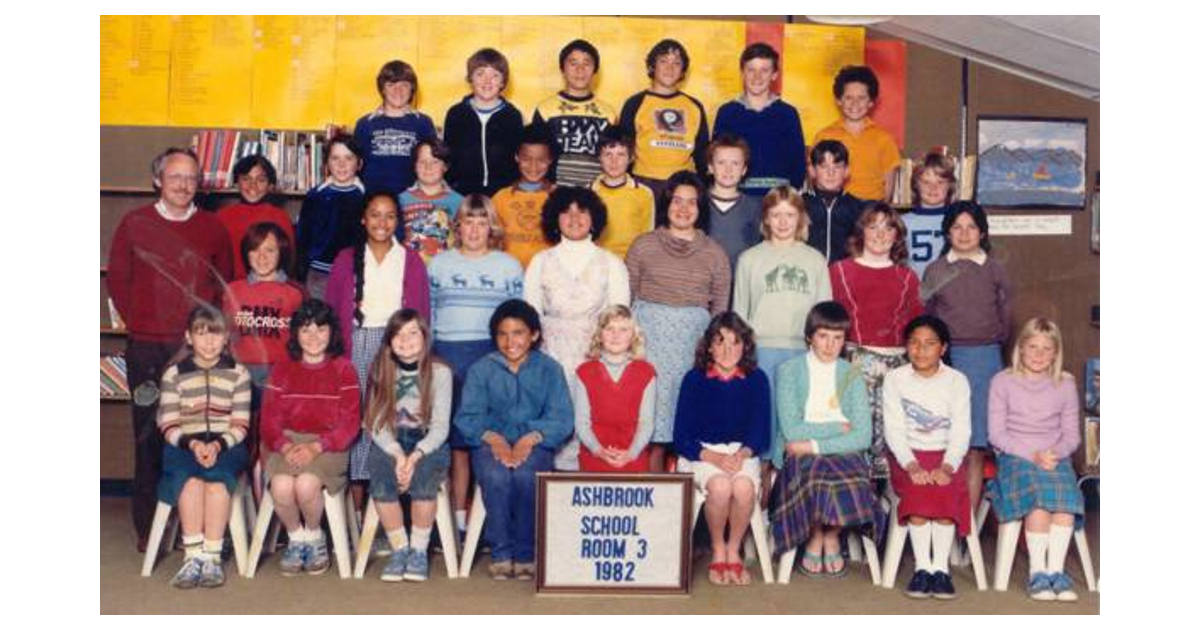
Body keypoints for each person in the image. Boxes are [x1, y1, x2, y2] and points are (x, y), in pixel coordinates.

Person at [107, 147, 234, 550]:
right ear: (158, 180)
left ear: (200, 184)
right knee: (149, 433)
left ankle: (189, 526)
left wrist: (206, 338)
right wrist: (143, 321)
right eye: (175, 176)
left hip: (198, 352)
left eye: (191, 178)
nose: (183, 185)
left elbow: (225, 283)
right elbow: (118, 281)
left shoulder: (213, 228)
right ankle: (149, 527)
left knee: (197, 432)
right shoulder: (134, 223)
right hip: (147, 349)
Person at [453, 299, 573, 581]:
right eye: (502, 334)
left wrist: (531, 438)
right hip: (489, 442)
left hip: (536, 442)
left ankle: (525, 551)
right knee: (496, 476)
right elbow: (468, 416)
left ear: (534, 335)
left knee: (526, 475)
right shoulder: (482, 369)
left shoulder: (550, 369)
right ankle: (501, 551)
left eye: (518, 333)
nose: (510, 341)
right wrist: (493, 438)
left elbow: (562, 417)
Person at [428, 194, 525, 537]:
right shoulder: (439, 264)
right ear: (457, 227)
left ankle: (494, 520)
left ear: (492, 227)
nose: (474, 229)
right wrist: (431, 355)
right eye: (468, 221)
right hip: (447, 356)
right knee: (456, 442)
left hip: (492, 357)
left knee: (489, 438)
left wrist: (511, 360)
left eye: (482, 222)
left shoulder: (508, 266)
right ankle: (457, 520)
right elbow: (430, 314)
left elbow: (518, 320)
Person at [325, 192, 430, 504]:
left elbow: (422, 312)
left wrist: (417, 353)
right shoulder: (346, 259)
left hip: (397, 344)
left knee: (394, 418)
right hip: (357, 343)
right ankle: (357, 508)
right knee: (359, 418)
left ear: (398, 221)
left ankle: (391, 502)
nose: (382, 222)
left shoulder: (410, 259)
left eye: (389, 216)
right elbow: (332, 309)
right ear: (363, 218)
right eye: (374, 214)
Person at [625, 171, 731, 472]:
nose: (683, 209)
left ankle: (686, 497)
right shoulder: (642, 246)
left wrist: (708, 349)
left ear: (701, 209)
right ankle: (652, 496)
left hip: (691, 345)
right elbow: (625, 303)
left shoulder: (715, 254)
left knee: (686, 419)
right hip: (649, 344)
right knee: (651, 424)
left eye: (692, 203)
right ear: (666, 204)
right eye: (676, 201)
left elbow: (720, 312)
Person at [769, 301, 884, 578]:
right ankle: (815, 535)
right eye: (823, 336)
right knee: (817, 476)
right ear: (810, 336)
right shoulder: (790, 371)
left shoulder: (851, 374)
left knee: (853, 478)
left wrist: (814, 444)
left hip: (831, 450)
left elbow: (863, 435)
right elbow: (792, 430)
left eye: (838, 338)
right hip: (799, 453)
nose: (830, 345)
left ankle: (829, 535)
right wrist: (838, 427)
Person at [524, 186, 630, 469]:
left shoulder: (611, 263)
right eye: (566, 211)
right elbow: (529, 318)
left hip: (595, 359)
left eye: (581, 211)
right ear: (554, 218)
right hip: (550, 359)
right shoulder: (540, 262)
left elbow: (619, 319)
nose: (574, 218)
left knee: (593, 423)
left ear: (594, 218)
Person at [732, 185, 831, 471]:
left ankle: (788, 492)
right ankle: (760, 488)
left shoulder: (814, 259)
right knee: (763, 422)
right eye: (776, 215)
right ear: (766, 219)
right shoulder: (749, 259)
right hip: (761, 350)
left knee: (795, 424)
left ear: (800, 219)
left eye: (790, 215)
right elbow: (740, 313)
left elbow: (824, 315)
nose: (783, 222)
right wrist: (743, 356)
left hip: (802, 352)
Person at [922, 201, 1012, 512]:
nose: (964, 233)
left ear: (982, 232)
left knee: (974, 444)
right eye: (957, 227)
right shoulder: (936, 270)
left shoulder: (994, 270)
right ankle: (940, 517)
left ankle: (967, 527)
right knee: (942, 442)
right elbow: (927, 317)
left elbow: (1005, 317)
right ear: (947, 231)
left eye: (971, 227)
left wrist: (989, 346)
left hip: (984, 359)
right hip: (944, 359)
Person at [260, 298, 361, 576]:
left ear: (332, 332)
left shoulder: (344, 369)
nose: (314, 336)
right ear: (295, 334)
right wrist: (285, 445)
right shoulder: (282, 368)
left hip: (329, 444)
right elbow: (269, 420)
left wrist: (318, 446)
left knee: (305, 486)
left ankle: (315, 535)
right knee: (281, 486)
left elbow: (350, 422)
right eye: (305, 330)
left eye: (320, 329)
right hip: (288, 442)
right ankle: (296, 538)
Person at [987, 318, 1085, 603]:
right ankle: (1037, 572)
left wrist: (1054, 454)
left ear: (1056, 352)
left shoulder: (1065, 384)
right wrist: (1033, 455)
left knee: (1065, 500)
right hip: (1016, 457)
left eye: (1046, 348)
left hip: (1054, 457)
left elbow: (1072, 435)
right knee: (1040, 499)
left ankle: (1056, 572)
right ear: (1020, 348)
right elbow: (997, 434)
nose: (1039, 355)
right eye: (1032, 347)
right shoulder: (1002, 381)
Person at [156, 306, 251, 588]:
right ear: (188, 338)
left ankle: (211, 556)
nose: (209, 342)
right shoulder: (174, 374)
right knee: (191, 481)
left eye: (216, 334)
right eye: (201, 334)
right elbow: (168, 424)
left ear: (226, 339)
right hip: (184, 444)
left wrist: (219, 446)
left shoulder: (239, 373)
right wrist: (194, 443)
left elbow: (241, 424)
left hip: (227, 443)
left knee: (216, 483)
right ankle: (193, 555)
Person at [673, 312, 771, 586]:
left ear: (745, 347)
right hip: (702, 453)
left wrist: (742, 454)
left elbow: (761, 431)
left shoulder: (757, 379)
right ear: (709, 347)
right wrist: (714, 457)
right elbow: (681, 436)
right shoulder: (694, 379)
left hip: (742, 452)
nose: (728, 350)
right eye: (720, 342)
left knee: (742, 488)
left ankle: (733, 548)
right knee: (720, 487)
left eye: (735, 342)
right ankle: (718, 548)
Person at [830, 203, 924, 478]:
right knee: (853, 437)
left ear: (897, 235)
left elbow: (915, 328)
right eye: (873, 227)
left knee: (891, 444)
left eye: (888, 227)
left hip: (896, 367)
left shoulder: (907, 277)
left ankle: (887, 507)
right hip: (853, 364)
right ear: (861, 232)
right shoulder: (839, 271)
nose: (880, 234)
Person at [882, 315, 971, 600]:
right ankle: (922, 569)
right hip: (906, 455)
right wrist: (910, 464)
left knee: (945, 488)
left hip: (947, 455)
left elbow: (961, 430)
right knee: (919, 490)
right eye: (914, 343)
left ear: (943, 348)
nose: (921, 350)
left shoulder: (957, 381)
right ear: (907, 347)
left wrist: (948, 465)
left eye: (930, 344)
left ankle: (940, 570)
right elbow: (893, 429)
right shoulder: (895, 379)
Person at [363, 309, 452, 582]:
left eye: (413, 332)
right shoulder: (381, 368)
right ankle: (400, 548)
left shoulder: (440, 373)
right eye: (398, 334)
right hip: (390, 440)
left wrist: (414, 458)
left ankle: (418, 551)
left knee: (424, 482)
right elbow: (375, 421)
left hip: (427, 441)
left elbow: (440, 427)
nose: (406, 339)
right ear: (389, 341)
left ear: (425, 337)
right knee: (379, 480)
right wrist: (397, 454)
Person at [221, 223, 305, 482]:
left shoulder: (294, 293)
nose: (262, 257)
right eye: (255, 251)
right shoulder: (233, 290)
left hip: (278, 374)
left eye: (269, 250)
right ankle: (241, 497)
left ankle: (272, 501)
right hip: (241, 373)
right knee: (240, 437)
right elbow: (225, 336)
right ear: (246, 255)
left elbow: (302, 343)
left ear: (282, 253)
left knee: (273, 438)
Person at [618, 39, 709, 200]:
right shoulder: (635, 104)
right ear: (652, 66)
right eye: (663, 61)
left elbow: (702, 154)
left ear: (683, 71)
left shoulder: (694, 106)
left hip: (682, 187)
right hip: (643, 183)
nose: (670, 68)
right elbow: (624, 149)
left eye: (676, 63)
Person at [712, 42, 806, 195]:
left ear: (774, 75)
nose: (757, 77)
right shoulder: (727, 113)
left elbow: (798, 164)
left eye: (764, 70)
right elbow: (716, 159)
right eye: (751, 70)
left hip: (777, 200)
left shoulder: (788, 114)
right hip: (737, 198)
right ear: (742, 72)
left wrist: (787, 199)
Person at [573, 305, 656, 473]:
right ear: (599, 335)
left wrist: (631, 453)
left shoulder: (647, 372)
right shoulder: (584, 372)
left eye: (623, 329)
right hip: (595, 451)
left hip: (633, 452)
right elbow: (581, 423)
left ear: (633, 335)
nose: (616, 335)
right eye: (609, 328)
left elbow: (647, 423)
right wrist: (599, 451)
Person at [532, 38, 617, 188]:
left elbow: (614, 158)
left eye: (586, 63)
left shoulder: (608, 113)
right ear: (562, 69)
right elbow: (537, 155)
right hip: (555, 191)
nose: (580, 70)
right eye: (573, 63)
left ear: (595, 70)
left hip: (596, 193)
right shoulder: (545, 109)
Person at [812, 65, 902, 203]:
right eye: (848, 98)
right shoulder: (824, 136)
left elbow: (888, 185)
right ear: (839, 100)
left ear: (871, 102)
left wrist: (879, 213)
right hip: (835, 207)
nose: (855, 103)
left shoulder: (884, 139)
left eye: (861, 98)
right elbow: (816, 178)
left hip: (870, 209)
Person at [443, 48, 524, 197]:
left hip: (503, 195)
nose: (487, 81)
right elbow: (448, 157)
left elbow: (519, 159)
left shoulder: (513, 116)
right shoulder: (456, 114)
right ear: (470, 79)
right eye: (480, 74)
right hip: (463, 195)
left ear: (503, 81)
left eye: (495, 75)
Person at [294, 135, 366, 300]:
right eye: (335, 158)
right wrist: (302, 271)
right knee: (318, 320)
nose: (342, 164)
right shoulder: (316, 195)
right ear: (326, 164)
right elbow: (302, 237)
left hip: (353, 274)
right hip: (319, 273)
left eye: (348, 158)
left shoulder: (365, 197)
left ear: (359, 163)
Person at [354, 59, 437, 196]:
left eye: (404, 85)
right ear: (382, 89)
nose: (398, 90)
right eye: (391, 84)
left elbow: (434, 164)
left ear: (412, 89)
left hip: (413, 200)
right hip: (374, 202)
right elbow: (355, 167)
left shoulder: (423, 123)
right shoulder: (365, 124)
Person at [216, 155, 296, 279]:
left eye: (261, 180)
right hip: (232, 289)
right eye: (246, 179)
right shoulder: (222, 217)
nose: (253, 186)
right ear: (236, 182)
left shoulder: (280, 217)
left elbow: (289, 262)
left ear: (270, 185)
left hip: (269, 287)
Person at [492, 124, 556, 267]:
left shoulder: (559, 197)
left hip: (548, 277)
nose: (533, 167)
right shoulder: (501, 198)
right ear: (517, 158)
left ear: (550, 160)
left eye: (541, 160)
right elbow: (492, 243)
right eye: (526, 159)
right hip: (509, 276)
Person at [591, 127, 655, 259]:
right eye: (608, 154)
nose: (614, 161)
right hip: (597, 262)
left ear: (631, 158)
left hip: (630, 263)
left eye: (621, 154)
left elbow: (647, 236)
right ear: (599, 157)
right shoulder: (589, 192)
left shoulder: (644, 193)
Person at [398, 138, 464, 262]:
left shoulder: (461, 202)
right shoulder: (399, 200)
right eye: (422, 162)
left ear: (445, 166)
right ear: (414, 165)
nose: (428, 167)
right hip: (409, 273)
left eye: (435, 162)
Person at [804, 140, 864, 263]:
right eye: (824, 166)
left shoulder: (858, 208)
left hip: (844, 276)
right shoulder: (799, 205)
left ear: (847, 171)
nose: (830, 173)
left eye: (837, 167)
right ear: (812, 171)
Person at [705, 133, 761, 266]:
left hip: (740, 281)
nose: (728, 169)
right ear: (710, 167)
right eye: (721, 162)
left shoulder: (755, 206)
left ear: (744, 170)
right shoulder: (698, 202)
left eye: (735, 163)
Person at [903, 152, 956, 278]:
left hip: (951, 292)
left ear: (950, 185)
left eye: (940, 182)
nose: (933, 188)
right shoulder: (902, 222)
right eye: (926, 182)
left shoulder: (958, 220)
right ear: (916, 185)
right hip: (916, 291)